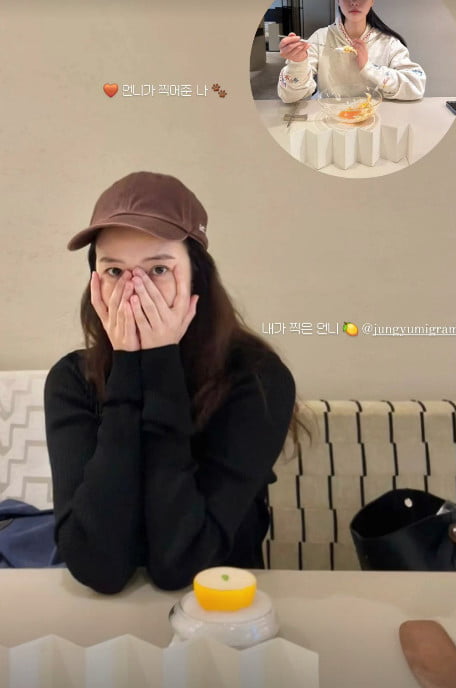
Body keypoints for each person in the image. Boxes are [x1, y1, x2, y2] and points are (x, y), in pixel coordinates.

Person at [44, 172, 296, 594]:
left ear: (197, 276)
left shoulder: (257, 378)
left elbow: (182, 564)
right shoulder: (72, 380)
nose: (134, 291)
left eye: (158, 269)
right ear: (94, 283)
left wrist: (161, 364)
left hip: (222, 609)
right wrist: (128, 369)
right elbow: (97, 566)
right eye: (114, 270)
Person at [278, 0, 426, 103]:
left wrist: (368, 68)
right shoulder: (320, 37)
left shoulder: (388, 43)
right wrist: (298, 63)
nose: (354, 1)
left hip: (373, 118)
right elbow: (289, 97)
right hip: (329, 117)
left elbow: (416, 86)